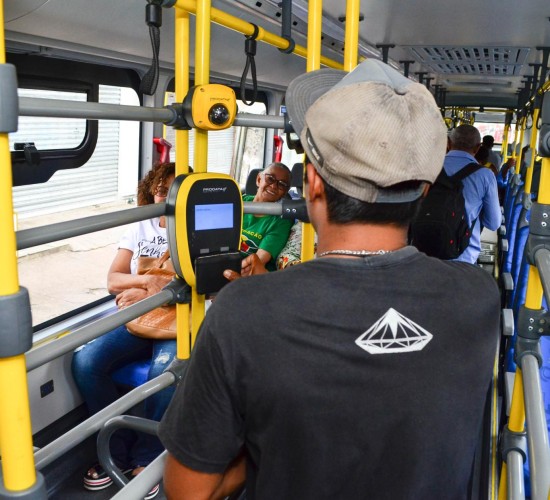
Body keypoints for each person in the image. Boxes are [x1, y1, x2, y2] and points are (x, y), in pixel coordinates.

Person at [158, 59, 501, 499]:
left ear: (313, 183)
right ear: (425, 189)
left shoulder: (245, 311)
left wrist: (266, 440)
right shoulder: (476, 296)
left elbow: (188, 491)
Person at [72, 161, 178, 499]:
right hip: (140, 315)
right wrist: (145, 283)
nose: (165, 197)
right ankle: (115, 450)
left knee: (163, 373)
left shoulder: (193, 226)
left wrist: (148, 292)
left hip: (177, 317)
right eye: (161, 190)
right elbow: (113, 280)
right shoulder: (140, 226)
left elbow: (196, 282)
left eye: (173, 191)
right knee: (86, 362)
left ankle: (147, 457)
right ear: (151, 192)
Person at [444, 125, 502, 264]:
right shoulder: (485, 175)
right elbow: (493, 223)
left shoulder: (429, 167)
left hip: (426, 252)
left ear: (449, 143)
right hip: (464, 256)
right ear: (477, 148)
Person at [240, 162, 294, 272]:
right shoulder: (239, 201)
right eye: (270, 179)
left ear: (285, 192)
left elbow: (256, 263)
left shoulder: (281, 221)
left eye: (282, 184)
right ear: (259, 179)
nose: (274, 186)